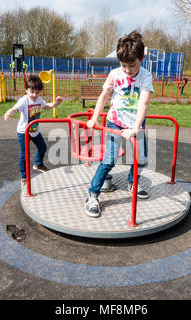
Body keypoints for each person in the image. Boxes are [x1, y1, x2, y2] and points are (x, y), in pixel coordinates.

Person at [84, 30, 154, 218]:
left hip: (135, 123)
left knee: (143, 158)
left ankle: (132, 182)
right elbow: (104, 96)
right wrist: (95, 118)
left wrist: (135, 128)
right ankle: (92, 194)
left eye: (132, 65)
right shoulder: (115, 74)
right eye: (124, 65)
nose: (128, 70)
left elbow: (144, 103)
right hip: (115, 122)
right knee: (110, 160)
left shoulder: (146, 77)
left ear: (142, 59)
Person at [4, 74, 63, 188]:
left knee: (43, 147)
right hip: (23, 132)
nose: (34, 95)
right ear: (26, 90)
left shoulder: (39, 100)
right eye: (32, 92)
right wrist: (9, 113)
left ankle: (38, 164)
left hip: (35, 130)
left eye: (37, 92)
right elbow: (15, 108)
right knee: (24, 154)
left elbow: (46, 106)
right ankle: (24, 178)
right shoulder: (24, 101)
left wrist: (56, 103)